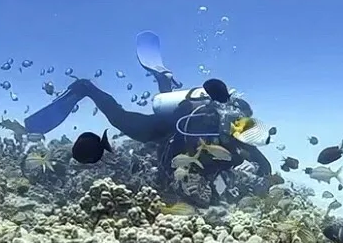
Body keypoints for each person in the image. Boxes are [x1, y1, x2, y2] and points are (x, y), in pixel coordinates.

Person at [24, 31, 273, 179]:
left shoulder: (228, 127)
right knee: (118, 117)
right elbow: (180, 148)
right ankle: (85, 88)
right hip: (159, 129)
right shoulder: (223, 132)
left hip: (178, 118)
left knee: (169, 116)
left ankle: (163, 78)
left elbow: (262, 163)